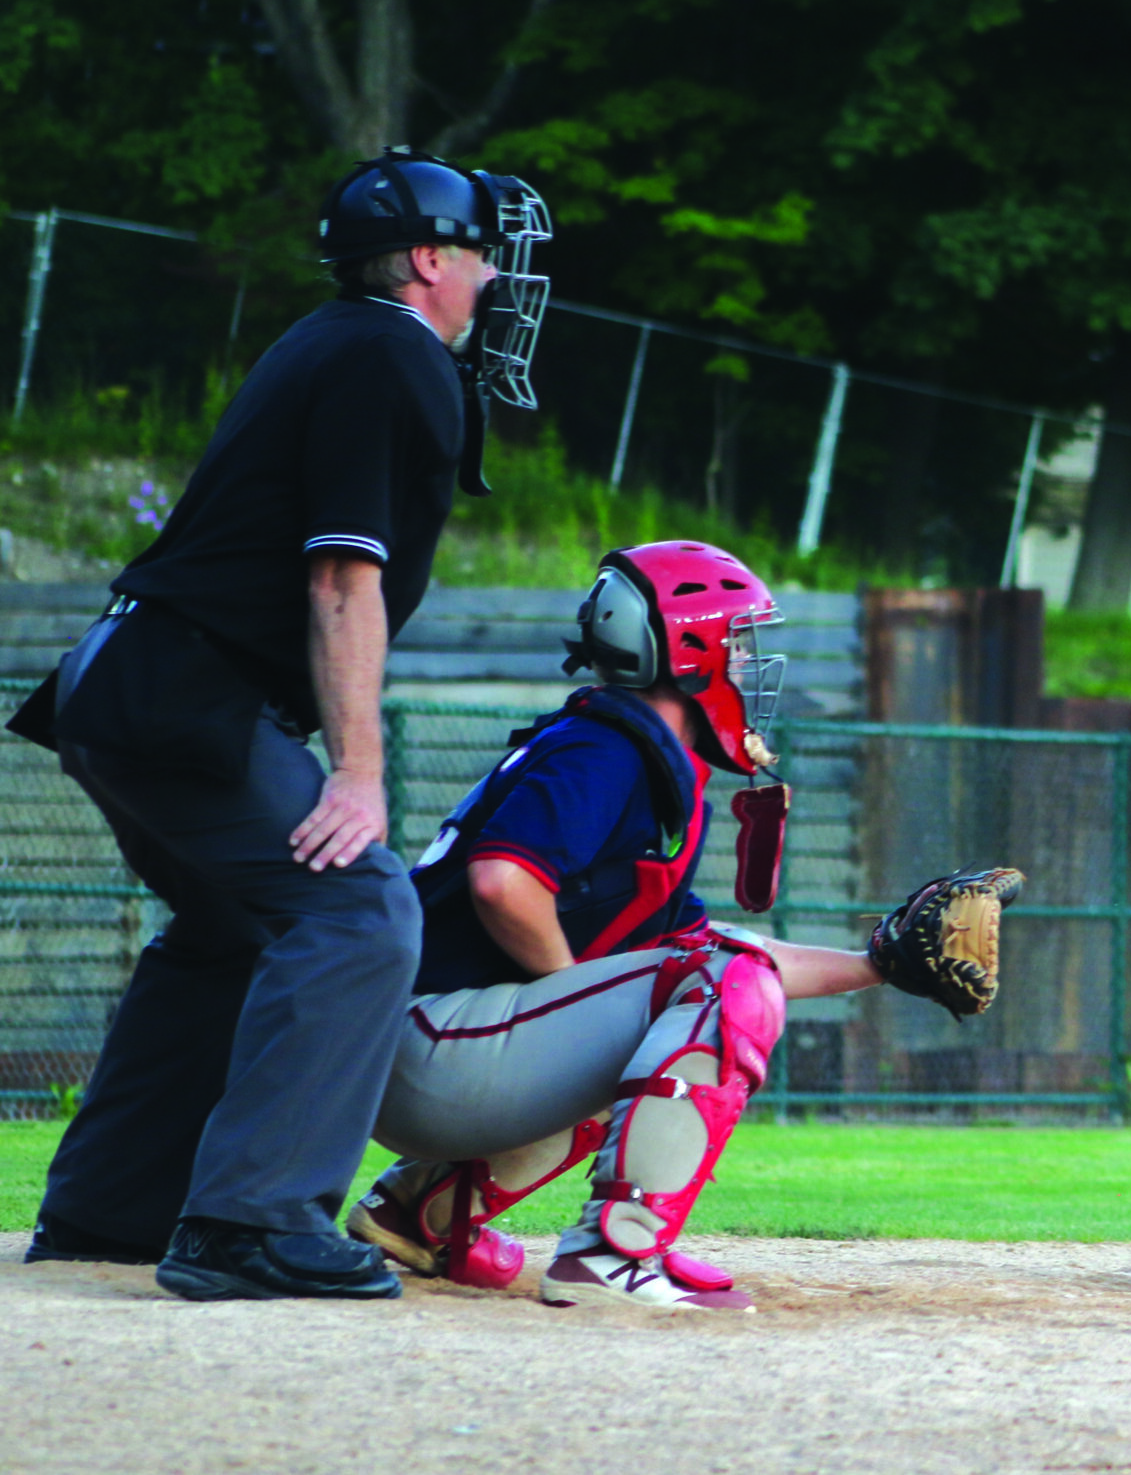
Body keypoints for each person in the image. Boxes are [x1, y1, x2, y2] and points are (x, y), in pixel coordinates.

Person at [10, 149, 552, 1302]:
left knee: (230, 925)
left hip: (129, 679)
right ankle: (249, 1222)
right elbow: (342, 578)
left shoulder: (332, 339)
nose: (495, 279)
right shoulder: (393, 354)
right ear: (425, 260)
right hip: (181, 687)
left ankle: (110, 1208)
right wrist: (357, 773)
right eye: (480, 254)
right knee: (360, 907)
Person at [346, 541, 1013, 1310]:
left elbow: (706, 954)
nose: (748, 661)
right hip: (426, 1045)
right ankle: (614, 1251)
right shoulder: (607, 750)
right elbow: (504, 882)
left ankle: (416, 1213)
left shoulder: (632, 753)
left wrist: (880, 959)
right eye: (739, 639)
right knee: (710, 992)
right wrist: (576, 993)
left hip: (426, 1048)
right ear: (691, 649)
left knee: (692, 993)